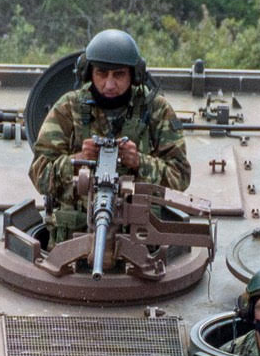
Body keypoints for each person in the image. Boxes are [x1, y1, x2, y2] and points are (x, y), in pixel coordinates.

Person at [29, 29, 190, 241]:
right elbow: (39, 175)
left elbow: (181, 177)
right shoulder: (67, 109)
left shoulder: (157, 111)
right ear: (89, 73)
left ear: (134, 75)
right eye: (102, 74)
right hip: (72, 241)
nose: (110, 84)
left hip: (140, 241)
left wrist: (139, 162)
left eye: (119, 74)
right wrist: (78, 161)